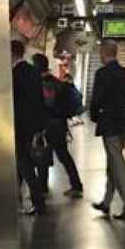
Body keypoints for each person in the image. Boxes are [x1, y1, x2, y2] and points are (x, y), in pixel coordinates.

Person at [89, 40, 125, 223]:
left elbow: (96, 100)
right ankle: (106, 201)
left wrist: (95, 117)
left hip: (110, 125)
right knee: (113, 162)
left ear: (103, 53)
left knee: (117, 163)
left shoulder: (102, 74)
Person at [34, 53, 84, 198]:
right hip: (58, 124)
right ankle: (74, 185)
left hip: (51, 125)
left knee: (49, 156)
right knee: (59, 156)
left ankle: (47, 188)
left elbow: (48, 103)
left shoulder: (46, 83)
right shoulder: (55, 81)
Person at [11, 39, 50, 215]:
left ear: (11, 54)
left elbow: (13, 103)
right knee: (25, 164)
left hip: (19, 127)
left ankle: (37, 202)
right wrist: (40, 127)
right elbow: (40, 101)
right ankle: (17, 199)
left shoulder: (13, 74)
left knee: (24, 164)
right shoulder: (34, 72)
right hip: (34, 126)